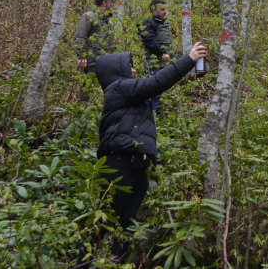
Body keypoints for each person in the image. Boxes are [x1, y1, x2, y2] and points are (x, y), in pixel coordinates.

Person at [86, 42, 207, 264]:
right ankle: (80, 264)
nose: (133, 70)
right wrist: (188, 59)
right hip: (118, 163)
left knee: (126, 225)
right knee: (103, 222)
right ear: (116, 70)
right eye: (129, 67)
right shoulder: (118, 88)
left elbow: (157, 85)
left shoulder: (129, 94)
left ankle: (117, 263)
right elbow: (156, 83)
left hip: (137, 165)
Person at [75, 0, 116, 102]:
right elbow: (80, 37)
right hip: (92, 62)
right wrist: (81, 56)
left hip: (107, 62)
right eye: (110, 2)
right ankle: (81, 113)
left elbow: (113, 43)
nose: (111, 4)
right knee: (86, 90)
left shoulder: (109, 22)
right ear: (104, 2)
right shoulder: (88, 17)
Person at [139, 0, 177, 112]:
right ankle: (149, 117)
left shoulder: (163, 24)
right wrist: (162, 53)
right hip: (154, 64)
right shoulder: (148, 23)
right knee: (152, 91)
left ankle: (153, 115)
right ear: (153, 11)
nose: (165, 12)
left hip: (164, 65)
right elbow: (149, 41)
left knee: (158, 92)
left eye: (166, 9)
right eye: (162, 9)